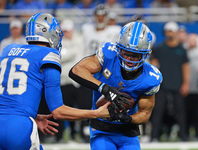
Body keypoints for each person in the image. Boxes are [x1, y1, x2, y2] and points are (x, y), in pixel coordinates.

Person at [0, 12, 111, 150]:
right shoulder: (48, 55)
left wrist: (32, 116)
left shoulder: (7, 50)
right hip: (19, 128)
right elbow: (58, 111)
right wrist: (95, 114)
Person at [69, 21, 162, 150]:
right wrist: (105, 88)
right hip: (101, 128)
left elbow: (145, 113)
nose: (130, 59)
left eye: (136, 55)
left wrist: (126, 118)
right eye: (126, 52)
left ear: (146, 54)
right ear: (118, 48)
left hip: (128, 132)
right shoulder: (108, 54)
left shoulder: (150, 77)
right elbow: (77, 70)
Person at [150, 21, 189, 142]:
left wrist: (186, 83)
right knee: (158, 110)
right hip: (162, 85)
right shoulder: (161, 48)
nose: (170, 33)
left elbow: (185, 67)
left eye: (172, 30)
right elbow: (154, 65)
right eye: (168, 30)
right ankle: (154, 136)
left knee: (180, 111)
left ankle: (183, 136)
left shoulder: (181, 49)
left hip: (178, 84)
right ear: (165, 32)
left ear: (176, 32)